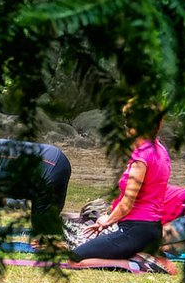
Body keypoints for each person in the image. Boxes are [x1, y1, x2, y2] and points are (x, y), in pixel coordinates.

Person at [68, 106, 177, 265]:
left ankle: (139, 265)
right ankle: (139, 257)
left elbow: (128, 203)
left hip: (136, 230)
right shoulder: (160, 150)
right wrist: (108, 217)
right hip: (152, 230)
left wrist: (106, 221)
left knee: (74, 259)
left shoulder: (141, 158)